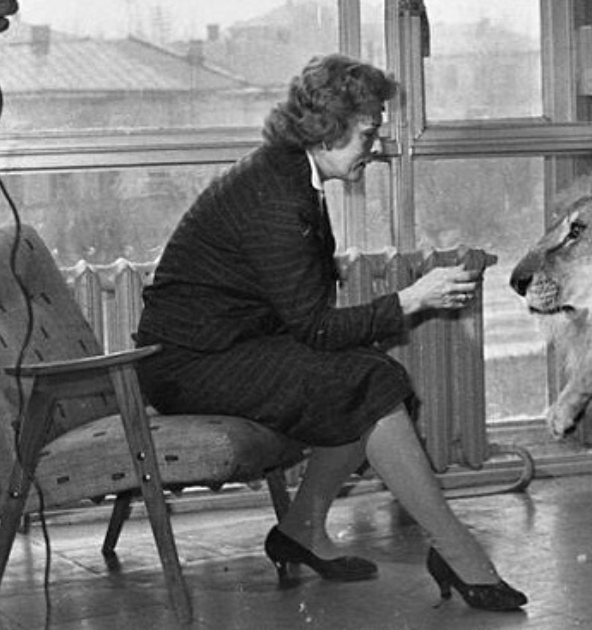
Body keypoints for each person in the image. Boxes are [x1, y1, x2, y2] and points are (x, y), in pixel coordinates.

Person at [135, 54, 526, 612]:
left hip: (226, 346)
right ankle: (457, 550)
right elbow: (316, 327)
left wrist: (395, 311)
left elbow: (305, 315)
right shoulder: (278, 194)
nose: (376, 145)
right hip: (190, 364)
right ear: (328, 129)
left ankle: (302, 529)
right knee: (367, 382)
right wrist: (413, 299)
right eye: (368, 132)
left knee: (372, 375)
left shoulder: (289, 173)